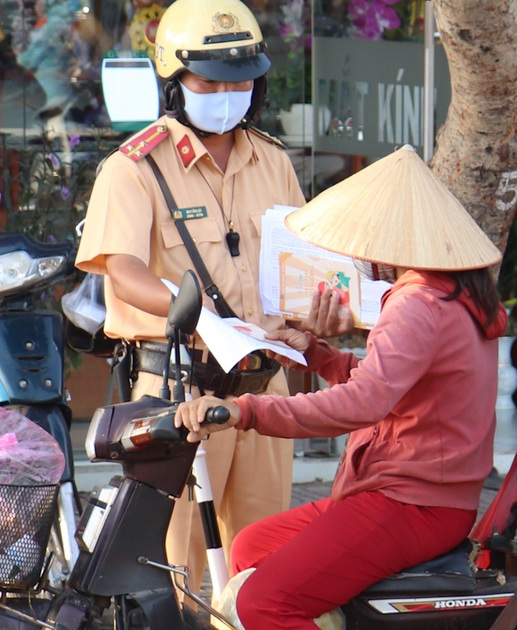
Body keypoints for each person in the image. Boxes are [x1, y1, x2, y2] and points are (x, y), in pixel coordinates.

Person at [173, 145, 507, 630]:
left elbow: (365, 401)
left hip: (410, 501)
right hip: (418, 495)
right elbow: (395, 386)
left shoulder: (417, 303)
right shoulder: (451, 292)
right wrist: (317, 355)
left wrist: (248, 410)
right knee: (251, 548)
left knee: (259, 604)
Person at [74, 0, 306, 593]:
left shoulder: (273, 160)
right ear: (174, 80)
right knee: (173, 570)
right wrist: (197, 316)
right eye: (211, 80)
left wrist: (315, 316)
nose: (228, 93)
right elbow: (123, 271)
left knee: (266, 564)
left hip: (264, 386)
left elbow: (300, 264)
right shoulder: (135, 167)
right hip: (180, 387)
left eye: (240, 80)